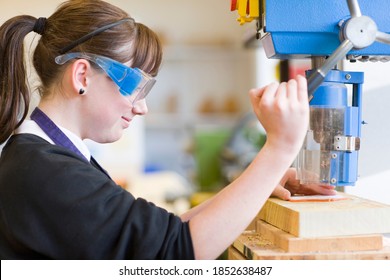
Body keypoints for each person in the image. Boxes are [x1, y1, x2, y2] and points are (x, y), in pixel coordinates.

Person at [0, 0, 336, 260]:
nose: (142, 107)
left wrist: (257, 184)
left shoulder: (47, 157)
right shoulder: (45, 171)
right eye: (136, 87)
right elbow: (175, 253)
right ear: (83, 76)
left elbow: (157, 236)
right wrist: (280, 147)